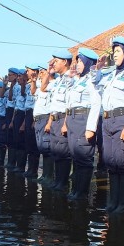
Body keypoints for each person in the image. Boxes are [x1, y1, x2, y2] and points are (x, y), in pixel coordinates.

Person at [86, 37, 124, 213]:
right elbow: (94, 84)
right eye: (114, 52)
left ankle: (123, 205)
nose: (115, 55)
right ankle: (113, 202)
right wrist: (97, 69)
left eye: (118, 51)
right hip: (108, 121)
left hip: (123, 119)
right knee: (111, 162)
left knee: (123, 163)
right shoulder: (110, 75)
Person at [66, 48, 99, 200]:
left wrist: (91, 127)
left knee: (84, 158)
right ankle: (76, 190)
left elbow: (96, 103)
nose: (78, 64)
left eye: (80, 61)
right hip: (74, 119)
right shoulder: (77, 80)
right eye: (77, 61)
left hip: (83, 119)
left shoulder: (92, 79)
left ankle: (82, 193)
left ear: (87, 63)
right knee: (76, 156)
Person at [46, 50, 75, 191]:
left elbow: (70, 103)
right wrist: (49, 72)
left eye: (56, 61)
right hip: (55, 118)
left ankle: (63, 183)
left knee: (63, 153)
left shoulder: (71, 78)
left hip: (64, 118)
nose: (54, 64)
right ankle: (58, 181)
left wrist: (65, 124)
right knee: (56, 152)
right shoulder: (58, 80)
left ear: (65, 62)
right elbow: (44, 87)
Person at [33, 65, 55, 186]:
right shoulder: (43, 87)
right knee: (42, 147)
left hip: (46, 118)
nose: (40, 75)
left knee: (47, 149)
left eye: (42, 72)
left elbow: (53, 106)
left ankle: (49, 176)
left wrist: (50, 122)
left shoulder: (53, 85)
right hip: (38, 119)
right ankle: (45, 175)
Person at [23, 64, 41, 179]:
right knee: (29, 143)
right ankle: (30, 169)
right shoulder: (31, 84)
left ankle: (34, 170)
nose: (26, 72)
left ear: (34, 71)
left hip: (35, 114)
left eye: (28, 70)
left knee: (34, 144)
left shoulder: (40, 83)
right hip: (28, 113)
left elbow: (37, 102)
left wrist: (34, 120)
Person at [9, 69, 28, 173]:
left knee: (21, 142)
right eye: (18, 76)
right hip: (16, 115)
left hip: (23, 116)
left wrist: (23, 124)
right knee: (16, 141)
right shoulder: (17, 88)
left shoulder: (26, 89)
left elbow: (26, 109)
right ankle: (16, 164)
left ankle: (21, 166)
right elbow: (13, 102)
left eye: (21, 76)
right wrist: (12, 121)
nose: (18, 78)